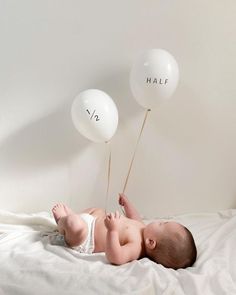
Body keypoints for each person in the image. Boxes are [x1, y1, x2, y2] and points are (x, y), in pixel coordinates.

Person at [52, 194, 197, 269]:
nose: (159, 221)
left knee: (74, 224)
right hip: (94, 220)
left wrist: (113, 230)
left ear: (151, 242)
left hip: (86, 237)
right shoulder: (142, 228)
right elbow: (135, 217)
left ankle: (62, 222)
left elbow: (115, 257)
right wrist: (128, 205)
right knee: (98, 210)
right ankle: (73, 218)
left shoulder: (136, 247)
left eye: (162, 224)